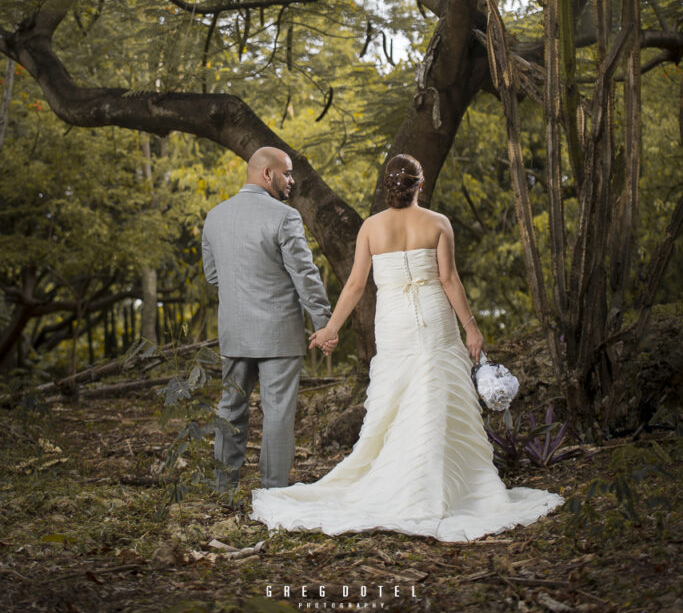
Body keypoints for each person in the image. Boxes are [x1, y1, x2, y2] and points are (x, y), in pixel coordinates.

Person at [251, 153, 563, 541]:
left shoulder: (370, 227)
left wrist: (331, 327)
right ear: (420, 184)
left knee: (398, 405)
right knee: (434, 399)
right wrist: (471, 328)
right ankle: (436, 488)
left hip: (395, 324)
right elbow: (449, 280)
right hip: (435, 320)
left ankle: (407, 484)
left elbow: (355, 286)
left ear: (387, 186)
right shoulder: (438, 223)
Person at [202, 146, 336, 494]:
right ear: (267, 174)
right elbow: (305, 275)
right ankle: (273, 494)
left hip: (234, 330)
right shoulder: (284, 217)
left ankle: (223, 491)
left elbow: (213, 276)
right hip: (278, 334)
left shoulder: (215, 216)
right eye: (287, 173)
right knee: (277, 416)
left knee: (230, 410)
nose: (291, 180)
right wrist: (324, 322)